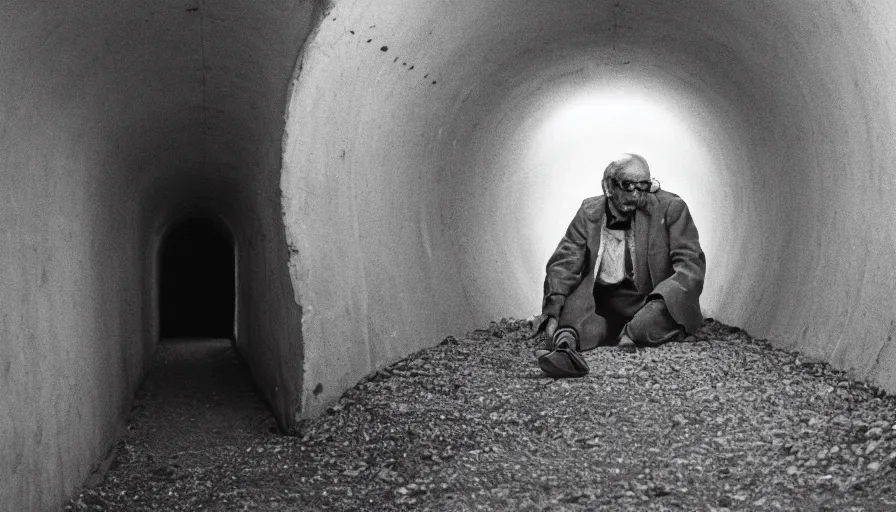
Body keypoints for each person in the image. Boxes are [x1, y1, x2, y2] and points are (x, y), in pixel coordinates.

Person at [534, 153, 705, 356]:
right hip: (601, 303)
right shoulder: (589, 212)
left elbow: (690, 265)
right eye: (628, 186)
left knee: (643, 326)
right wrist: (553, 307)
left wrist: (663, 299)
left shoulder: (671, 208)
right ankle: (564, 350)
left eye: (643, 186)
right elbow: (565, 262)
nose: (636, 195)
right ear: (608, 185)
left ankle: (634, 333)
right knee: (572, 324)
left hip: (649, 300)